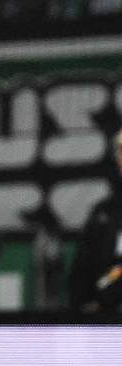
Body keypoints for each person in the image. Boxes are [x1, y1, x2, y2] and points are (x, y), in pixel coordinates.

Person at [69, 130, 122, 313]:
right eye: (120, 151)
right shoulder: (103, 211)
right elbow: (81, 268)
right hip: (103, 322)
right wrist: (85, 304)